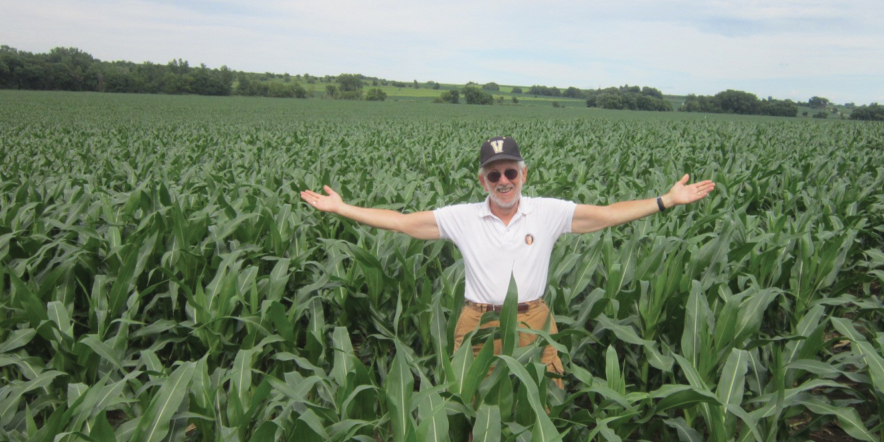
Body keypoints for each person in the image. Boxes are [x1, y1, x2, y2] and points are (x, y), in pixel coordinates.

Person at [300, 136, 715, 387]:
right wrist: (343, 209)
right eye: (494, 175)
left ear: (524, 174)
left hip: (533, 321)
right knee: (475, 402)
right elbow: (404, 223)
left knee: (545, 398)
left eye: (510, 174)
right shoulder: (462, 217)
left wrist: (664, 201)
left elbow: (605, 214)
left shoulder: (548, 212)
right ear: (482, 180)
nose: (503, 182)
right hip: (478, 322)